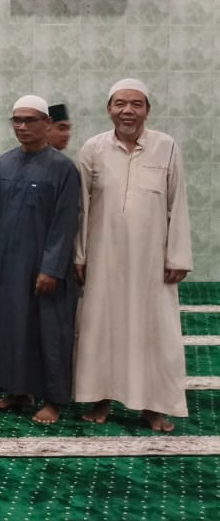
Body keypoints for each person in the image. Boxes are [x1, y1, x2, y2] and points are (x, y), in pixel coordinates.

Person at [74, 79, 193, 433]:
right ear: (109, 109)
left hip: (150, 261)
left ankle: (154, 405)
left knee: (155, 330)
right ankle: (100, 397)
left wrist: (177, 256)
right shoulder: (93, 148)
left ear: (147, 110)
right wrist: (79, 255)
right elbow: (81, 207)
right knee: (100, 327)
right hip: (103, 256)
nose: (128, 111)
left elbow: (178, 202)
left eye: (136, 104)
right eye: (120, 103)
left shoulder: (166, 147)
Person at [0, 95, 81, 425]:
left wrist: (51, 267)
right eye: (17, 120)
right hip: (8, 265)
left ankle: (54, 399)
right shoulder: (1, 165)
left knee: (50, 332)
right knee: (11, 328)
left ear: (47, 123)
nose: (22, 126)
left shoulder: (63, 169)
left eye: (30, 120)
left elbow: (66, 223)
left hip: (45, 267)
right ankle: (17, 391)